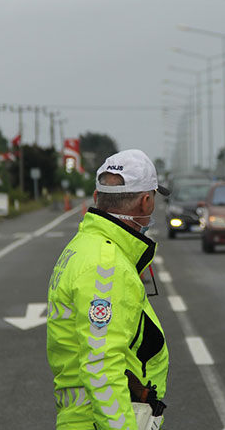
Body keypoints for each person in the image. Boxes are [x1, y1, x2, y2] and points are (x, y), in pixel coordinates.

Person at [46, 149, 170, 430]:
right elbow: (102, 367)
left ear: (96, 197)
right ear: (146, 202)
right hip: (98, 422)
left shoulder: (85, 245)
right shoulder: (106, 265)